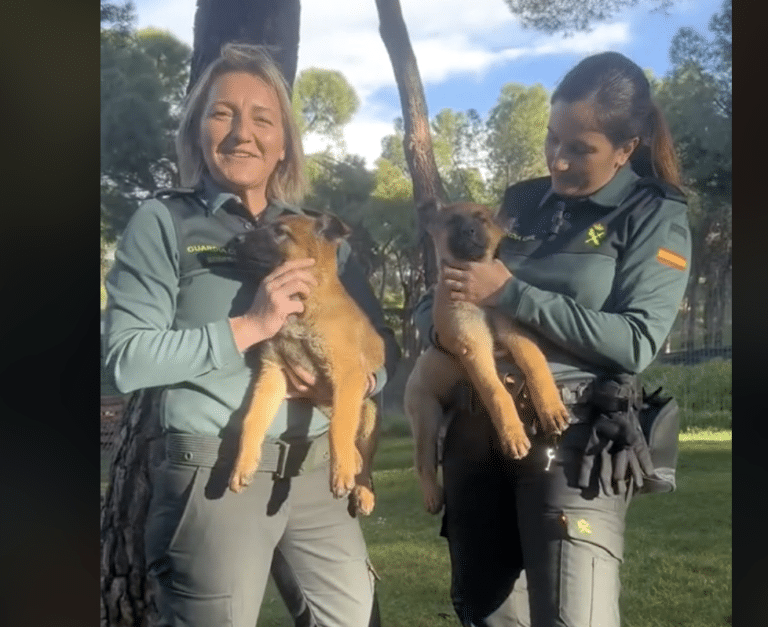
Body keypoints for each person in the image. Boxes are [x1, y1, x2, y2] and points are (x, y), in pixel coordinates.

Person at [103, 42, 399, 627]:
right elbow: (123, 361)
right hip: (216, 465)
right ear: (196, 131)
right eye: (222, 113)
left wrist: (355, 381)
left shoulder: (314, 232)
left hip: (318, 467)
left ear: (283, 142)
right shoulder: (166, 220)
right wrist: (251, 326)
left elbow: (375, 348)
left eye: (263, 118)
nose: (243, 133)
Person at [413, 51, 691, 627]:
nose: (558, 162)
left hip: (569, 439)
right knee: (489, 617)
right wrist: (436, 322)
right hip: (472, 432)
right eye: (551, 140)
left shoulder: (651, 211)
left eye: (580, 149)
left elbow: (637, 340)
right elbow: (457, 287)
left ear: (625, 148)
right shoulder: (522, 202)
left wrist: (512, 294)